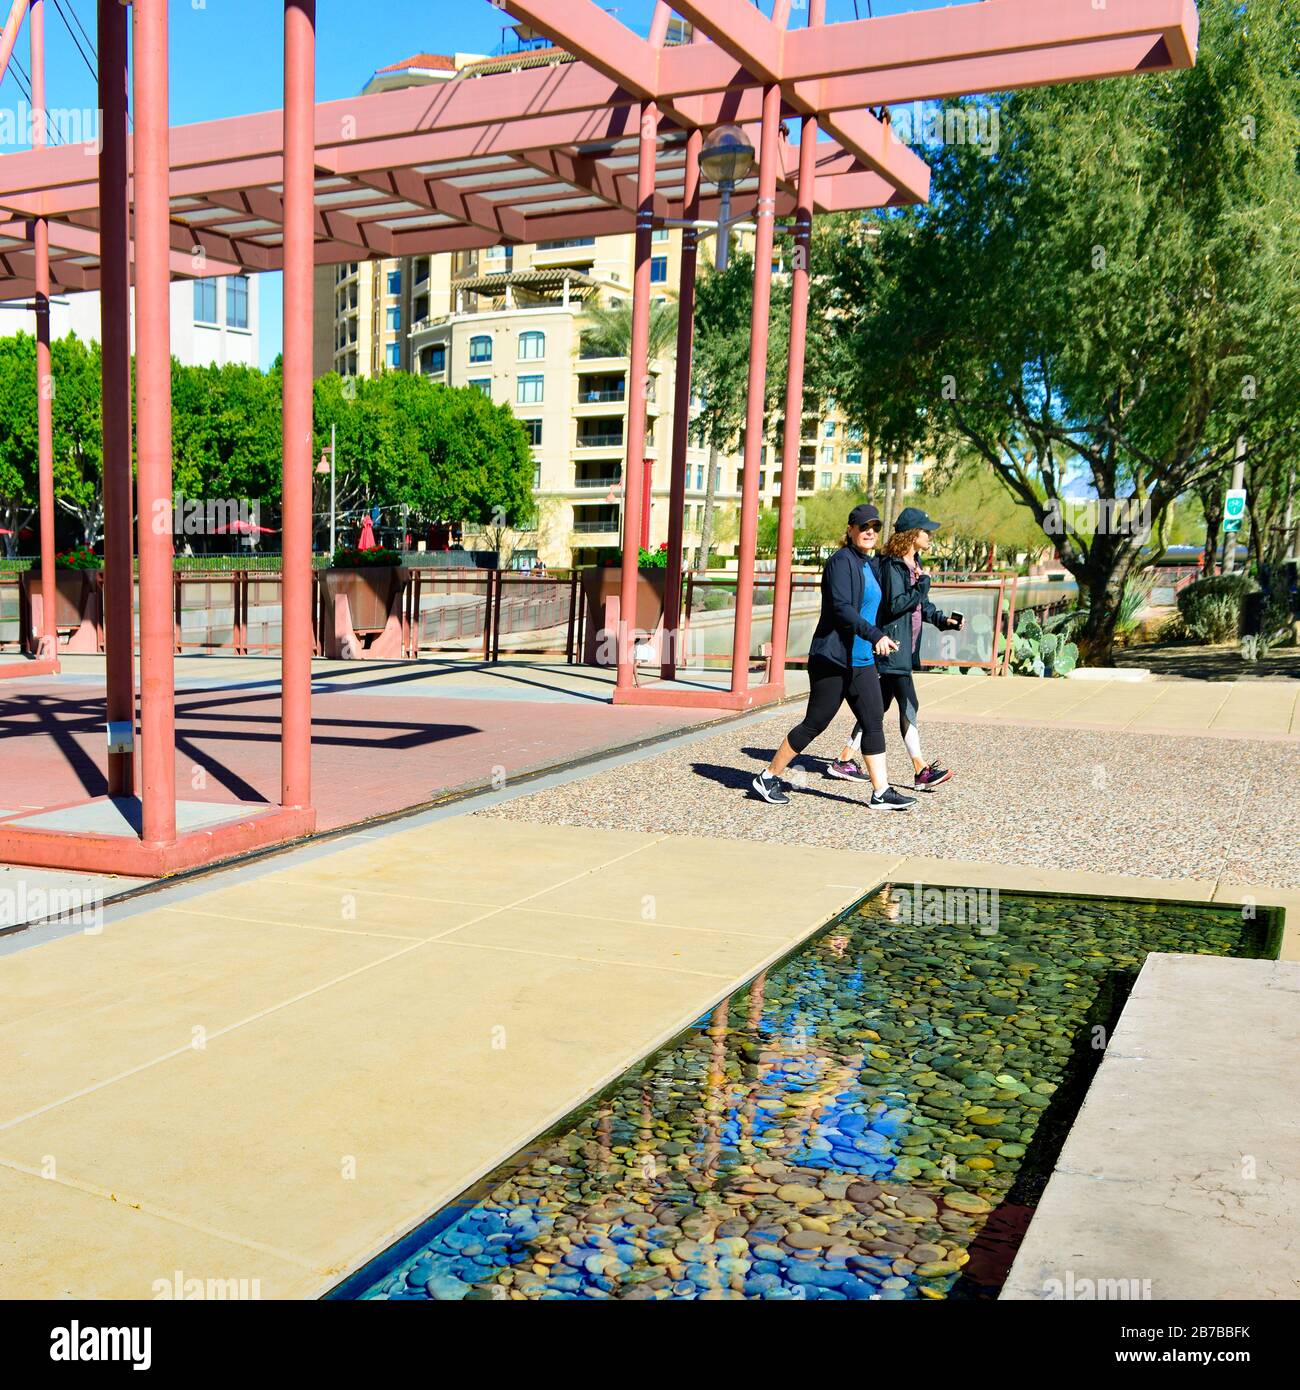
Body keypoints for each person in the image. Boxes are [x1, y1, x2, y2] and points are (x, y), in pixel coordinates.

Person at [752, 503, 916, 810]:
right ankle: (768, 776)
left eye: (875, 528)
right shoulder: (841, 562)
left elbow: (877, 606)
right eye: (864, 526)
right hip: (834, 660)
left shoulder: (871, 564)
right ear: (851, 529)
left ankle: (881, 792)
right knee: (815, 722)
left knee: (873, 721)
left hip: (862, 661)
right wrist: (875, 635)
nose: (870, 532)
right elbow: (843, 610)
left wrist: (883, 633)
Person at [826, 506, 964, 791]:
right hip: (891, 647)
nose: (930, 536)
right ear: (913, 534)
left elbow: (919, 606)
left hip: (903, 649)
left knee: (877, 709)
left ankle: (844, 759)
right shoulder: (892, 565)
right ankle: (920, 770)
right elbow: (895, 604)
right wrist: (923, 585)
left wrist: (943, 621)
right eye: (926, 531)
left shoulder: (914, 563)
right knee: (909, 703)